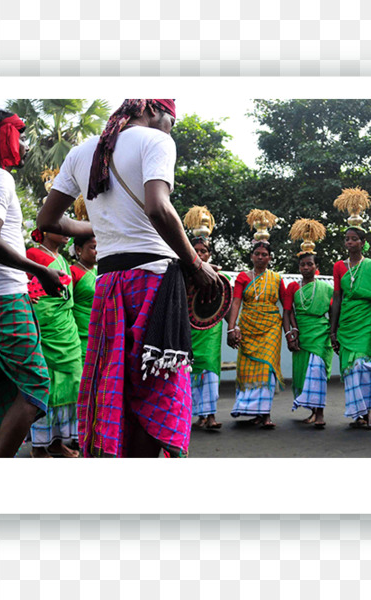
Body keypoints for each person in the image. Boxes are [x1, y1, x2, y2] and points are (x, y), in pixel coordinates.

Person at [37, 99, 222, 458]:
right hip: (153, 280)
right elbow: (158, 207)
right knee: (157, 391)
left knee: (117, 388)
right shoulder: (156, 141)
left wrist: (103, 227)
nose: (171, 128)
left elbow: (47, 220)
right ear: (154, 110)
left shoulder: (81, 151)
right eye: (172, 120)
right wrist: (197, 264)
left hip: (109, 284)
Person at [0, 108, 63, 458]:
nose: (22, 141)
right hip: (1, 296)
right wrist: (41, 271)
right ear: (4, 137)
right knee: (35, 385)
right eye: (17, 134)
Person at [25, 230, 82, 457]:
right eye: (61, 229)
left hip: (66, 328)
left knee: (71, 383)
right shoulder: (32, 253)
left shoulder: (63, 261)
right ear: (46, 230)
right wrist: (27, 293)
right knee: (48, 386)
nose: (67, 233)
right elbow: (20, 281)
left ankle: (56, 441)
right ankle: (39, 447)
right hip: (45, 327)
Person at [227, 216, 287, 429]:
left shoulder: (277, 279)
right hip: (248, 327)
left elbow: (287, 307)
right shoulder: (243, 277)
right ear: (252, 256)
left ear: (270, 258)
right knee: (248, 369)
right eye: (257, 254)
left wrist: (291, 331)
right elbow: (235, 303)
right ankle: (254, 412)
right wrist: (231, 328)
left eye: (265, 255)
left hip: (271, 327)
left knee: (267, 369)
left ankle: (266, 413)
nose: (261, 257)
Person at [330, 227, 371, 429]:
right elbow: (336, 298)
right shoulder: (339, 266)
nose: (350, 242)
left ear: (363, 242)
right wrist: (333, 331)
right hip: (346, 323)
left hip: (366, 323)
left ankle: (367, 412)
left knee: (363, 366)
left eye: (354, 239)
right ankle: (357, 414)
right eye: (347, 239)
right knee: (350, 368)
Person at [184, 207, 227, 431]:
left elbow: (225, 304)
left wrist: (233, 327)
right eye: (196, 250)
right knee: (190, 372)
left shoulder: (219, 276)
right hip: (189, 328)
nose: (200, 255)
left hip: (210, 329)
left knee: (210, 368)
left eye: (204, 251)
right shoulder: (182, 274)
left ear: (209, 254)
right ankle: (196, 415)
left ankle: (210, 416)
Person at [283, 241, 333, 428]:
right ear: (299, 267)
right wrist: (290, 335)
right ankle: (312, 412)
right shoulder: (292, 288)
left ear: (316, 267)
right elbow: (287, 313)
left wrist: (334, 334)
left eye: (310, 264)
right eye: (303, 264)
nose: (306, 267)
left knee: (317, 372)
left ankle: (320, 414)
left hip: (321, 334)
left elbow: (334, 312)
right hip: (301, 336)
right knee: (305, 374)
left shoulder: (327, 289)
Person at [70, 233, 97, 365]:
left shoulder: (102, 272)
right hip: (80, 333)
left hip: (101, 332)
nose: (98, 251)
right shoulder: (72, 272)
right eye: (93, 247)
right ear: (79, 250)